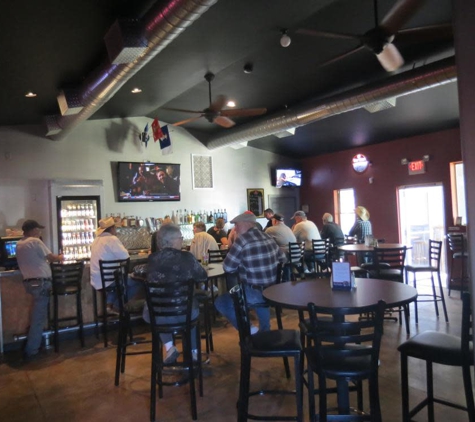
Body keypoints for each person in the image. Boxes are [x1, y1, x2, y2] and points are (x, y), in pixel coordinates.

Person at [143, 224, 208, 364]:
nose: (182, 240)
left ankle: (169, 347)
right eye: (181, 237)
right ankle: (194, 353)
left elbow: (143, 271)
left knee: (155, 310)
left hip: (158, 317)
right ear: (172, 240)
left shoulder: (152, 259)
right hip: (184, 313)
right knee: (190, 310)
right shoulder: (187, 257)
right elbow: (202, 276)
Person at [215, 212, 286, 334]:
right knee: (258, 292)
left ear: (247, 224)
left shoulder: (242, 241)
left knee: (221, 302)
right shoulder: (268, 237)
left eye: (237, 225)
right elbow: (283, 259)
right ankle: (265, 332)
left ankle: (249, 330)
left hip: (254, 291)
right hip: (273, 290)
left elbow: (228, 267)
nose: (235, 228)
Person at [16, 219, 64, 360]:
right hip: (40, 283)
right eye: (38, 229)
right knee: (38, 318)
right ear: (32, 230)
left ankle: (33, 344)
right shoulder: (35, 242)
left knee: (36, 315)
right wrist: (61, 256)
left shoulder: (19, 244)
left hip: (29, 283)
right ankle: (32, 350)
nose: (39, 232)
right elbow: (52, 258)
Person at [90, 217, 142, 314]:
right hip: (111, 281)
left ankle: (108, 305)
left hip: (97, 281)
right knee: (138, 281)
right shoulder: (112, 239)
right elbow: (126, 257)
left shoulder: (96, 240)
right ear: (112, 228)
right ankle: (118, 306)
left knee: (119, 282)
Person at [264, 213, 296, 281]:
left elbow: (264, 243)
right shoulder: (288, 228)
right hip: (296, 254)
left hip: (286, 256)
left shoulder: (270, 229)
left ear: (275, 221)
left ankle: (274, 281)